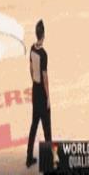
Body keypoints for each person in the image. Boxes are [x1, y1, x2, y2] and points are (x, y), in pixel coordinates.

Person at [26, 20, 52, 168]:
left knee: (34, 126)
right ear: (43, 35)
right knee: (47, 130)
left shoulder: (32, 49)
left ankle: (29, 158)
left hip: (35, 90)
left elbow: (31, 68)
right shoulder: (43, 54)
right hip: (42, 92)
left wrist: (34, 83)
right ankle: (50, 163)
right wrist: (48, 97)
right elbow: (45, 77)